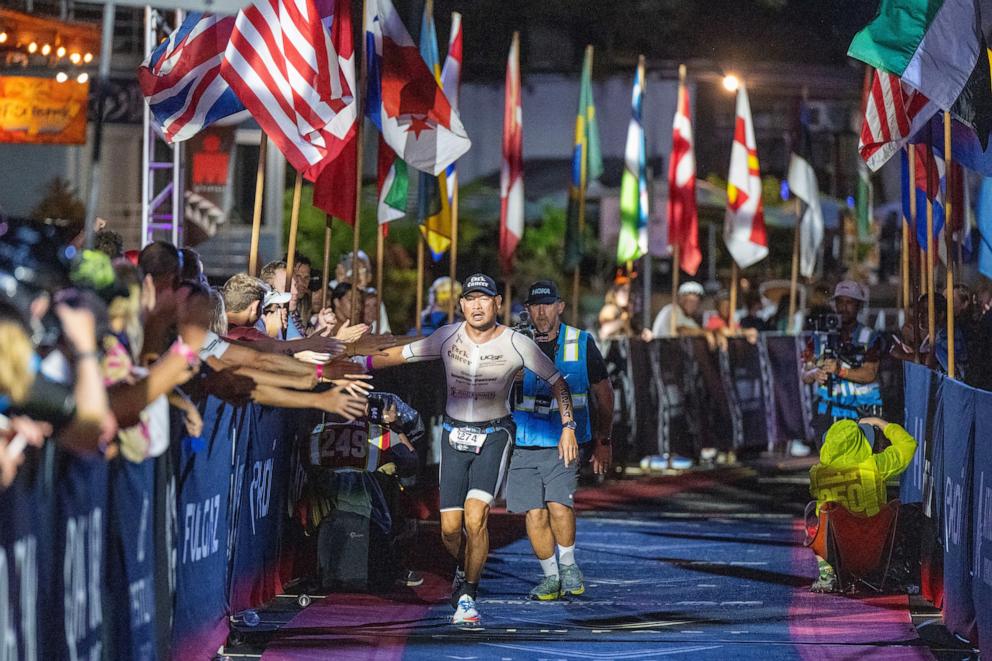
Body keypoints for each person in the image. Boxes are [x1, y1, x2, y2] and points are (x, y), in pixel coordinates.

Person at [369, 273, 577, 627]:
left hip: (495, 434)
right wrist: (353, 364)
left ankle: (468, 593)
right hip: (453, 436)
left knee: (475, 516)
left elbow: (558, 381)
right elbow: (400, 355)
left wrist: (568, 427)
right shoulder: (447, 336)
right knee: (450, 529)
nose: (477, 305)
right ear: (462, 305)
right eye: (471, 299)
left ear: (497, 304)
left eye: (485, 299)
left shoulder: (516, 342)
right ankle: (467, 566)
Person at [507, 280, 613, 600]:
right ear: (527, 309)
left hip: (564, 439)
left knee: (558, 503)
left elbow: (604, 394)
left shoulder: (581, 342)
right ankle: (550, 576)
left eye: (547, 305)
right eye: (535, 306)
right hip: (524, 438)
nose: (541, 312)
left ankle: (568, 566)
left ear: (560, 307)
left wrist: (602, 440)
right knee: (534, 511)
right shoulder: (514, 341)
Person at [807, 417, 917, 592]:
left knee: (815, 515)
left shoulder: (818, 475)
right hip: (874, 548)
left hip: (838, 553)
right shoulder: (874, 466)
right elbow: (908, 445)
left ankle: (827, 574)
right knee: (911, 512)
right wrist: (882, 423)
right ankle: (898, 571)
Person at [802, 280, 883, 442]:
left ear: (859, 305)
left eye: (849, 302)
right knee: (830, 465)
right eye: (839, 302)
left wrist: (840, 370)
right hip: (828, 414)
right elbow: (805, 372)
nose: (843, 307)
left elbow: (870, 373)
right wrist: (814, 373)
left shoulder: (870, 337)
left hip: (862, 413)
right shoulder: (820, 336)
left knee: (860, 466)